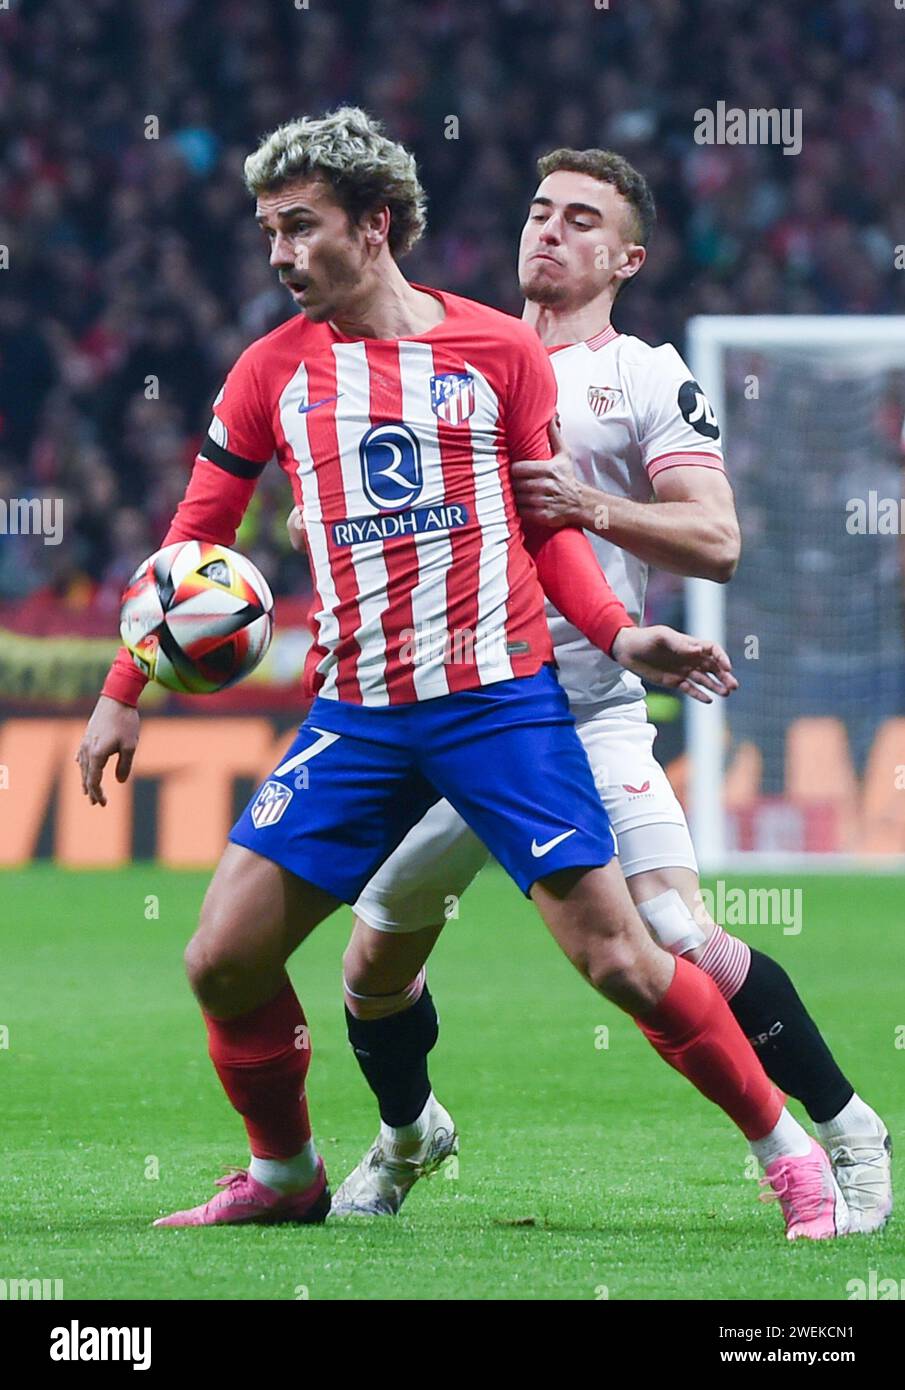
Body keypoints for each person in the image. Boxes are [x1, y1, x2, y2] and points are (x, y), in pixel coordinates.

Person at [77, 108, 840, 1240]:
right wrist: (120, 690)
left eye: (301, 228)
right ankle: (285, 1172)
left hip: (500, 706)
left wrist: (622, 637)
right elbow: (197, 538)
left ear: (376, 226)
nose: (280, 255)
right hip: (360, 718)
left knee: (623, 958)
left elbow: (550, 534)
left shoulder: (495, 352)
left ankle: (789, 1156)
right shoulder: (269, 370)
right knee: (222, 959)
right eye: (267, 233)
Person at [326, 145, 891, 1237]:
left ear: (627, 257)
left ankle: (848, 1130)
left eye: (582, 219)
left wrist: (588, 505)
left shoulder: (638, 373)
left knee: (672, 934)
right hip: (449, 713)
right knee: (374, 956)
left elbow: (716, 539)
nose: (550, 230)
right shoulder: (457, 350)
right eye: (539, 210)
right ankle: (407, 1137)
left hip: (581, 713)